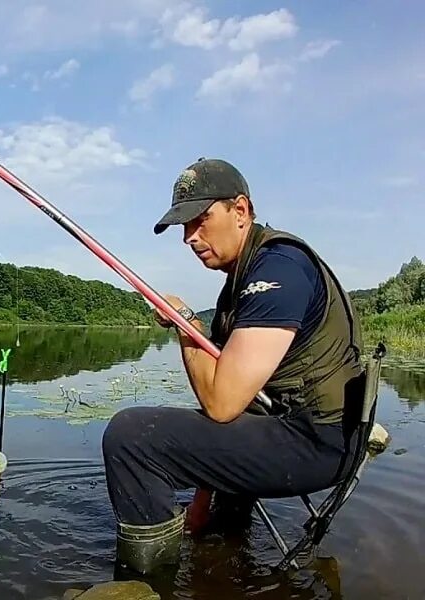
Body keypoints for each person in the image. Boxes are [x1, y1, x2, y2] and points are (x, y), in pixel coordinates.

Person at [102, 157, 365, 576]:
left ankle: (146, 580)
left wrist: (186, 326)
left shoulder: (278, 270)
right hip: (298, 429)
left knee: (131, 436)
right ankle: (224, 562)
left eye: (200, 220)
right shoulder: (238, 287)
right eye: (184, 227)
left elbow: (222, 403)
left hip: (320, 442)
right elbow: (232, 410)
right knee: (208, 498)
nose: (190, 237)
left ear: (240, 211)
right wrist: (199, 508)